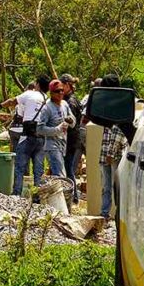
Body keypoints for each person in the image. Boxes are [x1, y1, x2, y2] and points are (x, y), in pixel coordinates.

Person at [11, 74, 50, 196]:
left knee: (19, 167)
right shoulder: (48, 100)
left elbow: (12, 101)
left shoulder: (30, 94)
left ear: (37, 84)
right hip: (41, 137)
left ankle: (17, 194)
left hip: (27, 135)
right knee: (38, 169)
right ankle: (37, 195)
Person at [99, 73, 127, 219]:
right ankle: (105, 213)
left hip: (113, 153)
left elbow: (118, 131)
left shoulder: (119, 103)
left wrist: (111, 152)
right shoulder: (109, 103)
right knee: (106, 186)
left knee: (114, 186)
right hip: (106, 151)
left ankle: (117, 213)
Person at [35, 79, 76, 179]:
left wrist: (71, 121)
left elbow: (73, 123)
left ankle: (50, 193)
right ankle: (61, 194)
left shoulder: (65, 104)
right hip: (52, 146)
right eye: (57, 91)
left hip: (63, 144)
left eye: (62, 90)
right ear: (51, 93)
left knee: (59, 176)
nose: (61, 93)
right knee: (61, 176)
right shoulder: (47, 108)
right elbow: (39, 129)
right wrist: (57, 129)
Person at [60, 74, 84, 203]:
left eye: (61, 86)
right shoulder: (70, 99)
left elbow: (71, 123)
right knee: (68, 167)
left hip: (71, 139)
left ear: (67, 85)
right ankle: (73, 196)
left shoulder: (71, 102)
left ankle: (73, 196)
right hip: (70, 139)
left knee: (68, 168)